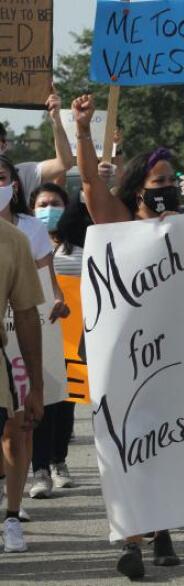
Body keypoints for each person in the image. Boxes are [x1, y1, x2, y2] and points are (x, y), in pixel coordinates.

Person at [73, 94, 181, 579]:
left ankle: (161, 529)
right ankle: (131, 539)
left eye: (173, 181)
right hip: (123, 360)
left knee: (165, 448)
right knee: (125, 447)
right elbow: (93, 181)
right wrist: (80, 130)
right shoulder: (116, 223)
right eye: (160, 182)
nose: (169, 188)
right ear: (138, 188)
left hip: (174, 358)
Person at [27, 183, 80, 498]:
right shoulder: (26, 243)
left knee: (66, 402)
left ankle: (59, 460)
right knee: (43, 399)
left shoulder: (79, 243)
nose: (49, 208)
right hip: (38, 328)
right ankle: (40, 470)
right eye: (43, 203)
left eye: (56, 202)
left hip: (73, 333)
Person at [0, 218, 45, 553]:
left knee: (11, 438)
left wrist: (37, 386)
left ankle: (10, 517)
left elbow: (27, 314)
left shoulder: (12, 240)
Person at [0, 91, 76, 199]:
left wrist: (56, 118)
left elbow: (65, 163)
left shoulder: (23, 174)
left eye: (2, 178)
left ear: (3, 146)